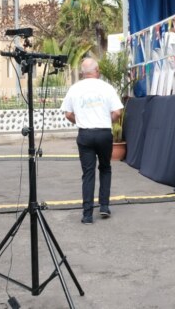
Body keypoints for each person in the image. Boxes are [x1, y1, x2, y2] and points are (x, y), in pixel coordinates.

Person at [61, 57, 123, 224]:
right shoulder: (107, 87)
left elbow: (67, 114)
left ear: (82, 73)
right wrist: (105, 120)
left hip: (85, 134)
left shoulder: (74, 88)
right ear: (97, 71)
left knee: (88, 173)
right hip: (103, 133)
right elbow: (117, 113)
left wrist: (80, 121)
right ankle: (104, 206)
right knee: (105, 168)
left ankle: (87, 214)